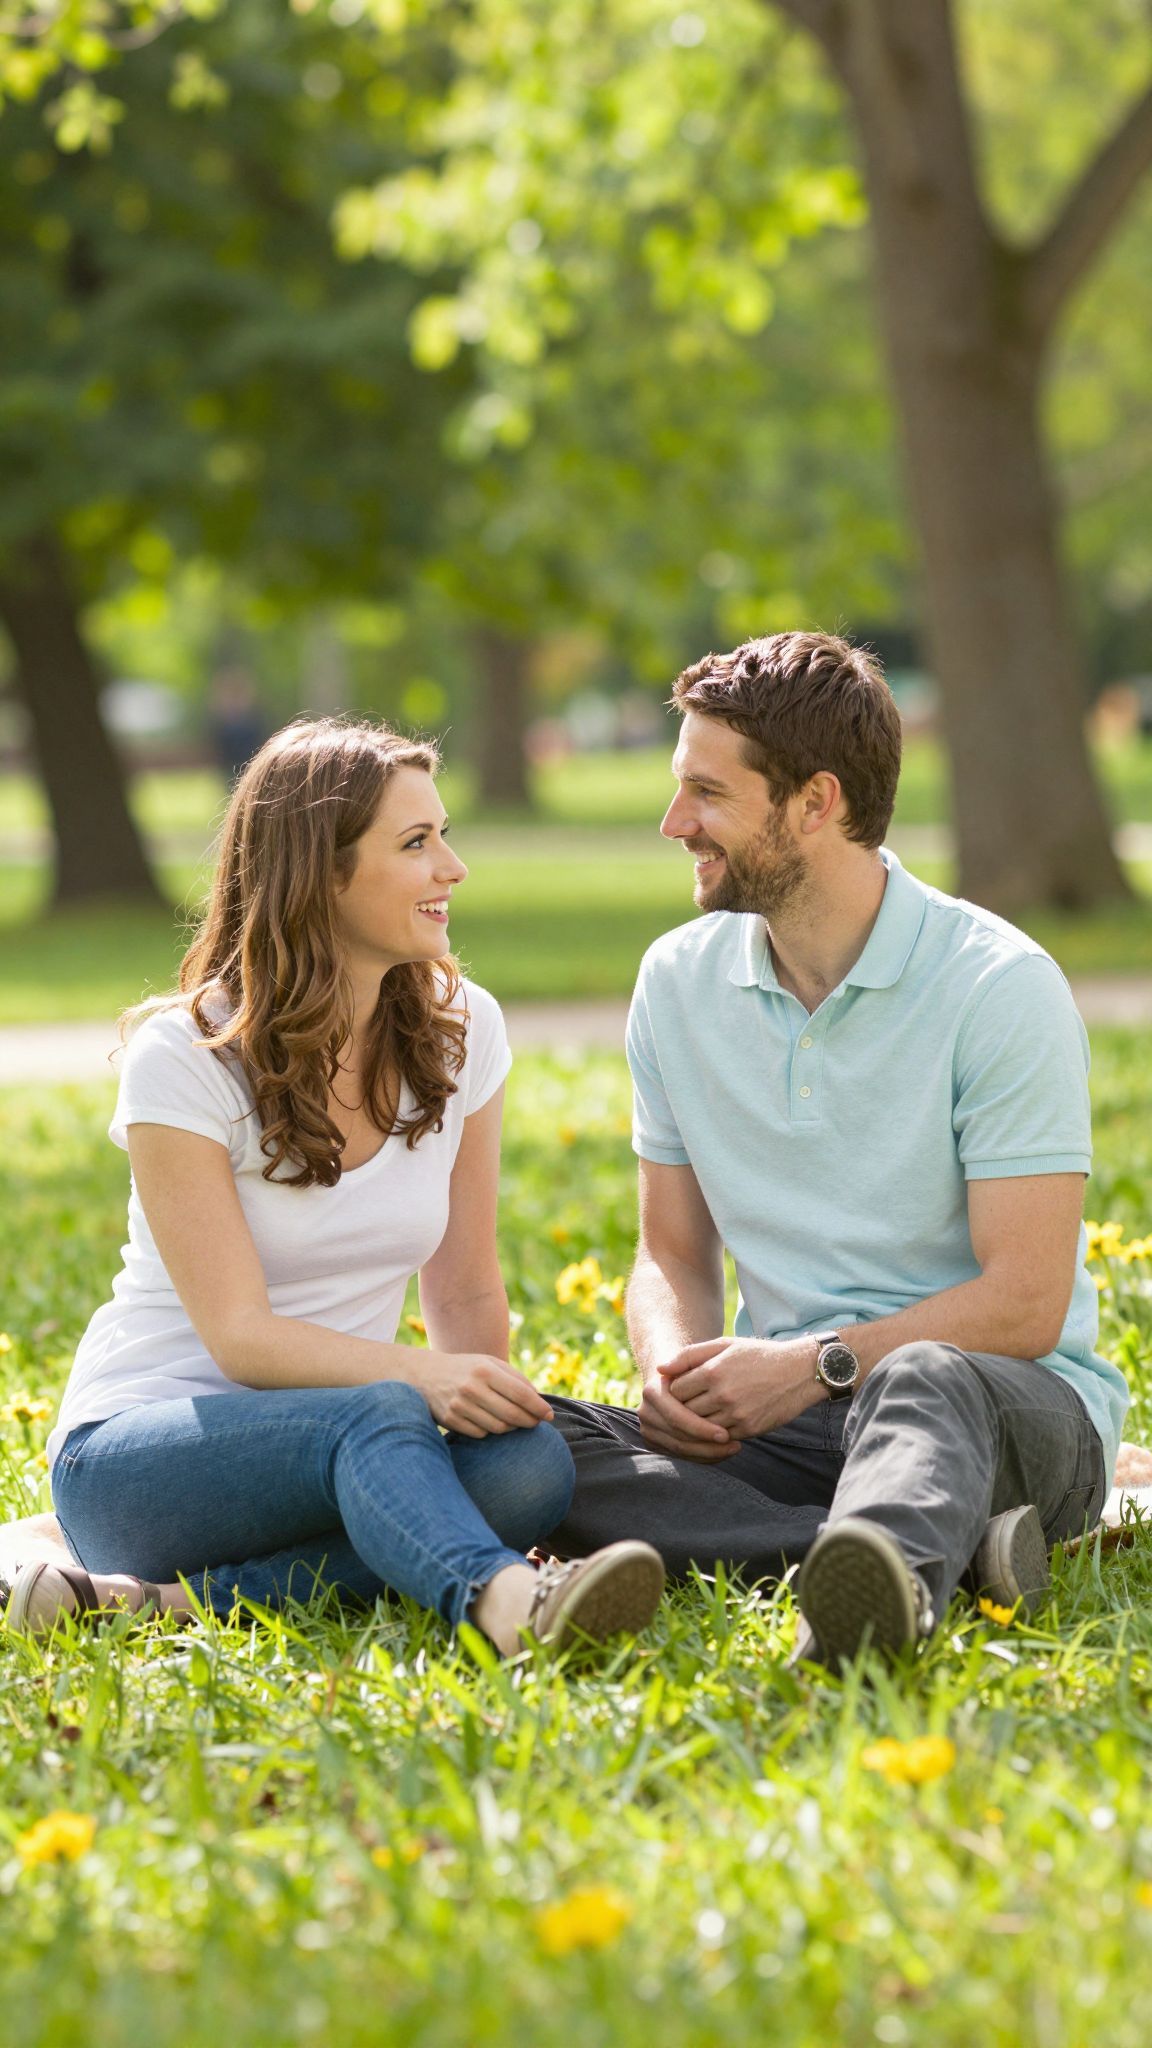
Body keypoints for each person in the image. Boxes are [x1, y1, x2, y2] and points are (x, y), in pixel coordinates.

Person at [8, 719, 663, 1654]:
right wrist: (422, 1376)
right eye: (416, 843)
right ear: (321, 873)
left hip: (354, 1427)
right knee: (387, 1412)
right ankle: (509, 1607)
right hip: (141, 1459)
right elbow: (241, 1338)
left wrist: (490, 1412)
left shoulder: (463, 1027)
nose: (454, 867)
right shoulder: (188, 1056)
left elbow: (466, 1284)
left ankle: (151, 1606)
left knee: (528, 1466)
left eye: (444, 834)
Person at [546, 632, 1129, 1669]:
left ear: (815, 802)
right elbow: (670, 1251)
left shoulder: (998, 985)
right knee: (518, 1436)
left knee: (927, 1378)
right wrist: (671, 1371)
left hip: (1003, 1404)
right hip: (787, 1423)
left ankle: (869, 1602)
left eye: (707, 794)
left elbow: (1025, 1302)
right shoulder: (676, 981)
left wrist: (816, 1363)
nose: (676, 823)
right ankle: (908, 1548)